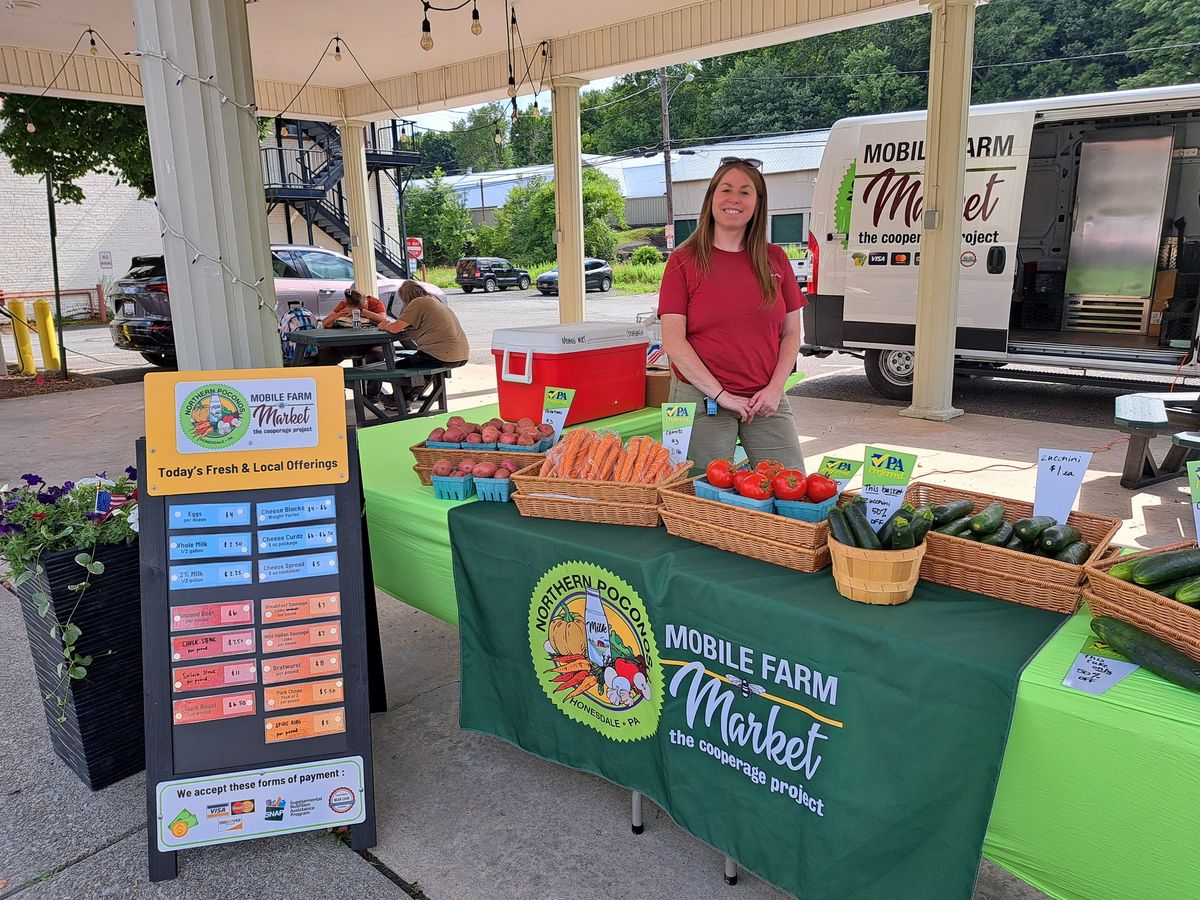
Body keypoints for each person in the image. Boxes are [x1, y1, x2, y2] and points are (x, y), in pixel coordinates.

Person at [657, 157, 806, 472]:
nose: (734, 199)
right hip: (700, 401)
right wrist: (722, 395)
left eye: (745, 192)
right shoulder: (683, 261)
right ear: (711, 197)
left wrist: (775, 388)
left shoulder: (775, 259)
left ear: (757, 203)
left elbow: (792, 332)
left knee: (795, 488)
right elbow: (673, 340)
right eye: (726, 189)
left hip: (765, 398)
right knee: (698, 499)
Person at [380, 280, 469, 370]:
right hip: (461, 355)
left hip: (441, 355)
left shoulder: (418, 302)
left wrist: (385, 325)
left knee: (397, 366)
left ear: (405, 297)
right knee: (413, 360)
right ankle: (422, 382)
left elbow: (395, 328)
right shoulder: (433, 300)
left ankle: (413, 384)